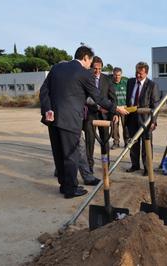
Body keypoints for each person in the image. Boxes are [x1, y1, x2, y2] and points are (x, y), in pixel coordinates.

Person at [40, 46, 128, 199]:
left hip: (52, 119)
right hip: (71, 121)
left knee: (59, 154)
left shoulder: (56, 68)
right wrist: (116, 109)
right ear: (85, 58)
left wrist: (48, 109)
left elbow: (43, 91)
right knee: (71, 155)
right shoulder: (84, 73)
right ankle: (71, 189)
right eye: (90, 62)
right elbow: (98, 98)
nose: (90, 66)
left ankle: (64, 185)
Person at [83, 56, 118, 173]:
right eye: (95, 68)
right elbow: (84, 98)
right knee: (90, 142)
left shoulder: (107, 80)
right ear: (91, 67)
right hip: (90, 115)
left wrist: (113, 113)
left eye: (100, 69)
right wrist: (98, 107)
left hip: (105, 116)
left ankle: (106, 165)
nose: (97, 71)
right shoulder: (86, 79)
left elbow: (114, 99)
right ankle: (89, 167)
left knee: (104, 141)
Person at [125, 62, 161, 176]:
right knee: (133, 142)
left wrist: (154, 121)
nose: (138, 75)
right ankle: (135, 165)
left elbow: (155, 105)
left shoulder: (152, 85)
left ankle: (147, 168)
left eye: (140, 73)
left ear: (146, 73)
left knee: (146, 145)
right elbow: (128, 99)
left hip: (146, 119)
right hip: (131, 118)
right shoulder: (130, 82)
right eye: (137, 73)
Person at [111, 67, 129, 149]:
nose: (117, 77)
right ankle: (116, 142)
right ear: (113, 74)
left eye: (118, 75)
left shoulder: (126, 82)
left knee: (126, 126)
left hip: (125, 108)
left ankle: (127, 142)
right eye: (115, 75)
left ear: (121, 75)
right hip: (115, 108)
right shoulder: (110, 83)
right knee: (114, 126)